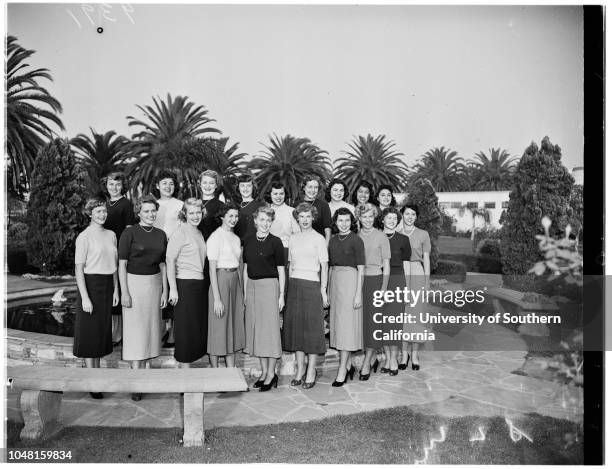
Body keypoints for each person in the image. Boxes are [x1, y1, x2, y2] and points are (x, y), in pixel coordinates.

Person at [118, 195, 168, 401]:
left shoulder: (161, 234)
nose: (150, 214)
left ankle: (144, 376)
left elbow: (164, 265)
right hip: (134, 285)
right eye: (146, 211)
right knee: (135, 333)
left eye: (153, 210)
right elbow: (121, 265)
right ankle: (135, 381)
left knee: (150, 331)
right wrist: (125, 292)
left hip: (154, 285)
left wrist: (165, 290)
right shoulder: (129, 233)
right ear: (139, 212)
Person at [74, 197, 119, 399]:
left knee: (100, 334)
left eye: (104, 211)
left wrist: (116, 290)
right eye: (98, 211)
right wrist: (85, 297)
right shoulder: (84, 237)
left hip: (107, 286)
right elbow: (79, 269)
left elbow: (115, 266)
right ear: (90, 213)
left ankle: (96, 378)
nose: (102, 215)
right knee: (90, 335)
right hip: (90, 287)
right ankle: (93, 382)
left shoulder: (111, 235)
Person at [282, 202, 329, 389]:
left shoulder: (319, 239)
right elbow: (291, 265)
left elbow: (324, 266)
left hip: (312, 285)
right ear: (297, 218)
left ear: (313, 218)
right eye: (301, 216)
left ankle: (311, 370)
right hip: (295, 285)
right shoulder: (293, 238)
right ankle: (300, 369)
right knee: (297, 330)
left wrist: (323, 290)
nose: (305, 220)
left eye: (308, 216)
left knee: (312, 330)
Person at [242, 206, 286, 392]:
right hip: (252, 287)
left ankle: (271, 373)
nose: (265, 223)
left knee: (269, 332)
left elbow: (281, 271)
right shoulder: (248, 240)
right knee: (257, 332)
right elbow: (245, 268)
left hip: (270, 287)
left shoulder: (276, 242)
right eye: (262, 219)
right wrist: (245, 293)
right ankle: (263, 372)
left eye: (268, 220)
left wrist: (281, 295)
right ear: (255, 221)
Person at [166, 198, 207, 367]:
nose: (195, 216)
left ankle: (190, 376)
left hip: (198, 285)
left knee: (195, 330)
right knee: (185, 331)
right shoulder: (180, 232)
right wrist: (173, 289)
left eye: (198, 212)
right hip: (185, 285)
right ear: (185, 214)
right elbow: (169, 261)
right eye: (191, 213)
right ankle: (184, 380)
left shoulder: (198, 232)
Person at [327, 207, 364, 387]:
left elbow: (361, 269)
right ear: (335, 222)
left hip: (350, 281)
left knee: (347, 327)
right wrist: (327, 289)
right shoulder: (333, 240)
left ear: (352, 222)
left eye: (347, 220)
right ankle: (348, 365)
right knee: (338, 325)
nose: (343, 224)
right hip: (335, 281)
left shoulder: (356, 240)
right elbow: (330, 266)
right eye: (340, 220)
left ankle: (342, 369)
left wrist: (358, 294)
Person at [207, 202, 245, 367]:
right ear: (222, 216)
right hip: (220, 280)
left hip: (234, 280)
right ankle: (215, 372)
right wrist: (217, 298)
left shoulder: (236, 238)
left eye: (236, 216)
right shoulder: (216, 236)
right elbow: (211, 269)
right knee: (218, 325)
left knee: (232, 326)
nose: (234, 219)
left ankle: (231, 371)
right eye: (230, 215)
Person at [102, 171, 136, 346]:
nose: (114, 187)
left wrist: (122, 253)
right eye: (111, 184)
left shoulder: (126, 204)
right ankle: (111, 331)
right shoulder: (106, 204)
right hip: (105, 254)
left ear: (122, 186)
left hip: (119, 253)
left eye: (117, 184)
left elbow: (129, 231)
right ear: (106, 186)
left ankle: (120, 334)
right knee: (110, 292)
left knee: (120, 291)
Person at [357, 203, 390, 380]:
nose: (368, 220)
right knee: (360, 322)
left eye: (371, 216)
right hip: (358, 282)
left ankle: (367, 361)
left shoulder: (382, 236)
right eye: (364, 216)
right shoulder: (355, 237)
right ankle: (368, 358)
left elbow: (387, 266)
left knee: (373, 323)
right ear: (359, 218)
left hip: (375, 281)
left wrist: (383, 290)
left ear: (375, 217)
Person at [397, 203, 430, 371]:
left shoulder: (423, 234)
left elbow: (426, 259)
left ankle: (415, 354)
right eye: (407, 214)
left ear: (416, 217)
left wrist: (426, 281)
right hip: (400, 273)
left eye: (413, 214)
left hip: (417, 271)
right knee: (403, 315)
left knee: (416, 316)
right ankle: (404, 354)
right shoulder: (396, 233)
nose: (410, 217)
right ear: (402, 215)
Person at [152, 170, 183, 348]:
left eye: (171, 183)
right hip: (155, 250)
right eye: (164, 183)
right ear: (158, 185)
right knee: (158, 289)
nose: (168, 186)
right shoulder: (152, 204)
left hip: (174, 251)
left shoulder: (179, 205)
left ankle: (173, 333)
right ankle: (161, 329)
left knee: (173, 288)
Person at [379, 207, 411, 375]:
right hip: (378, 281)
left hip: (397, 281)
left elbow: (406, 265)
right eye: (388, 218)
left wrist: (408, 287)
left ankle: (393, 358)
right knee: (382, 322)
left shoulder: (403, 240)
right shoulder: (376, 237)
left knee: (394, 322)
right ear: (382, 219)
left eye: (394, 218)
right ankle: (386, 356)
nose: (391, 221)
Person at [268, 182, 300, 267]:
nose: (278, 197)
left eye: (281, 193)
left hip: (286, 251)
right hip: (268, 251)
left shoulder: (292, 211)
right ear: (270, 195)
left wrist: (292, 256)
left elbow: (297, 235)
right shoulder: (265, 212)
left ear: (285, 195)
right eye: (275, 194)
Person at [295, 175, 332, 243]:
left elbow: (328, 231)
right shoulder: (296, 205)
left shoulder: (324, 205)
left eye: (316, 187)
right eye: (310, 187)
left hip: (318, 245)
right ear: (304, 188)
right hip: (300, 243)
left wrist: (325, 248)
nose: (313, 190)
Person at [233, 174, 265, 243]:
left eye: (248, 185)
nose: (245, 189)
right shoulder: (233, 206)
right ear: (238, 187)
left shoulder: (261, 206)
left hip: (254, 245)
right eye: (242, 186)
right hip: (235, 246)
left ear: (253, 187)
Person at [197, 170, 224, 241]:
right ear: (200, 184)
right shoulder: (193, 203)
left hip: (213, 245)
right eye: (204, 182)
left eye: (211, 183)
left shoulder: (221, 206)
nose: (207, 186)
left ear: (216, 185)